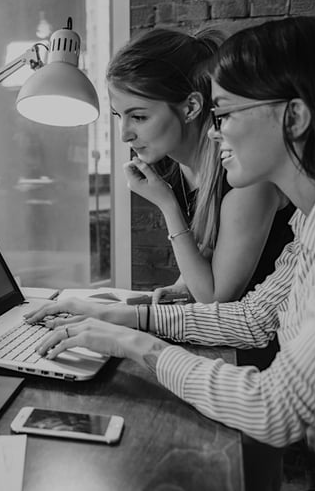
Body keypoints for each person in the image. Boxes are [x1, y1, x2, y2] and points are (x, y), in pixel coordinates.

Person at [26, 16, 315, 490]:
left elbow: (275, 408)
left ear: (295, 116)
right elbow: (253, 318)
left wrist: (135, 344)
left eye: (225, 115)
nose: (216, 134)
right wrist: (126, 319)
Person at [106, 28, 294, 308]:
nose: (124, 135)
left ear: (191, 107)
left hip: (269, 340)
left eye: (139, 116)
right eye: (119, 116)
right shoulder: (172, 165)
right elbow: (206, 257)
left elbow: (215, 295)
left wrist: (167, 204)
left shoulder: (247, 176)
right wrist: (180, 287)